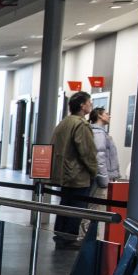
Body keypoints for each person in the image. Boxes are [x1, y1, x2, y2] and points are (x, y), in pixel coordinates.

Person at [49, 91, 99, 249]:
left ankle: (61, 235)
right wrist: (93, 171)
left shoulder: (63, 123)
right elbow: (86, 151)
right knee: (76, 208)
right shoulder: (81, 124)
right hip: (78, 175)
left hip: (64, 174)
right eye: (89, 102)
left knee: (64, 205)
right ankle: (70, 238)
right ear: (82, 105)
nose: (91, 105)